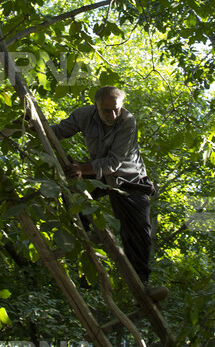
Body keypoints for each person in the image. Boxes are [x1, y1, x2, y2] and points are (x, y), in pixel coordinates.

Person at [50, 86, 167, 302]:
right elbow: (57, 132)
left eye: (116, 110)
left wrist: (81, 169)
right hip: (99, 172)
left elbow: (114, 163)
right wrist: (29, 125)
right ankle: (81, 236)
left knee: (139, 229)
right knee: (69, 192)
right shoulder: (83, 115)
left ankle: (142, 284)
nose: (112, 115)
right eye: (106, 111)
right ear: (96, 107)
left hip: (129, 178)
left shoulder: (127, 121)